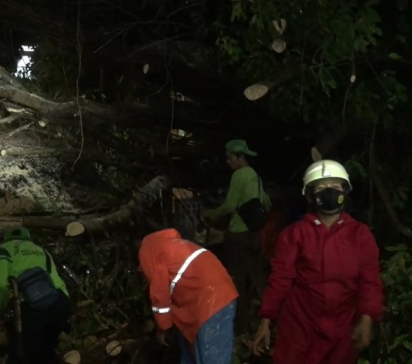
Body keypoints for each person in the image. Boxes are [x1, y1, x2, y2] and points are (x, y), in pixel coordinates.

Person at [252, 160, 383, 364]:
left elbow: (370, 281)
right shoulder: (295, 234)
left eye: (335, 187)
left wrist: (367, 318)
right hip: (300, 327)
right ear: (310, 195)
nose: (328, 192)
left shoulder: (360, 234)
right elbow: (280, 279)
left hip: (343, 328)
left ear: (345, 191)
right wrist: (266, 319)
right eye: (321, 188)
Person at [138, 228, 238, 364]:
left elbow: (159, 294)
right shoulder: (169, 246)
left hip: (212, 302)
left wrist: (163, 327)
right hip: (215, 294)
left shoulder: (149, 255)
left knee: (212, 356)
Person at [201, 139, 269, 333]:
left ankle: (238, 327)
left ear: (240, 157)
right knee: (257, 278)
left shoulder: (238, 175)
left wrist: (210, 214)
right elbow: (265, 202)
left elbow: (230, 206)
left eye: (231, 158)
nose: (228, 162)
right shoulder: (255, 176)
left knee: (235, 281)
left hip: (238, 235)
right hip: (254, 234)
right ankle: (267, 322)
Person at [0, 227, 72, 364]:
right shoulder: (41, 250)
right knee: (46, 351)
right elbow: (57, 282)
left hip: (31, 306)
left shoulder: (4, 249)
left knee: (22, 354)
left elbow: (0, 285)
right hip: (59, 302)